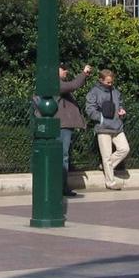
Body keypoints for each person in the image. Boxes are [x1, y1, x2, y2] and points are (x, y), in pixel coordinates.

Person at [85, 69, 131, 190]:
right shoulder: (94, 92)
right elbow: (89, 109)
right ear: (101, 80)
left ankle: (106, 166)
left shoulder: (115, 92)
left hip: (117, 126)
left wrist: (121, 111)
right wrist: (101, 119)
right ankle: (110, 182)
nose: (110, 84)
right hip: (103, 128)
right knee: (106, 156)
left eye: (112, 82)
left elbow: (120, 104)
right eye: (108, 82)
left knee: (125, 149)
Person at [57, 63, 93, 197]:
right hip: (61, 126)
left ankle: (61, 186)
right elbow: (73, 85)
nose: (66, 71)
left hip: (63, 126)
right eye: (63, 69)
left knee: (63, 156)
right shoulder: (55, 83)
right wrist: (84, 73)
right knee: (62, 157)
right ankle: (62, 187)